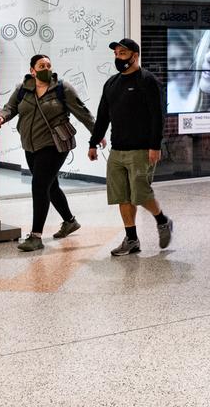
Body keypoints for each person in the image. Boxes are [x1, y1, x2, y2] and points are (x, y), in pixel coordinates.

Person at [0, 54, 96, 253]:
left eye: (48, 65)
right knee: (50, 185)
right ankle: (70, 221)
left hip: (55, 144)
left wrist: (97, 134)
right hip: (30, 145)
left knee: (39, 185)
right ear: (32, 70)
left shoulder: (62, 88)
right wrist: (1, 117)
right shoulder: (23, 88)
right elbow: (11, 107)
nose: (46, 68)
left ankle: (36, 236)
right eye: (41, 65)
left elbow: (82, 112)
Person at [88, 38, 173, 256]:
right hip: (117, 150)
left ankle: (162, 221)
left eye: (123, 53)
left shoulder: (148, 81)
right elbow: (102, 116)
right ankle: (132, 239)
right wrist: (93, 143)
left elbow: (157, 116)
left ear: (135, 55)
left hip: (142, 149)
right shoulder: (111, 84)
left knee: (141, 194)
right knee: (122, 196)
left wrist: (155, 145)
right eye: (116, 53)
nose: (118, 57)